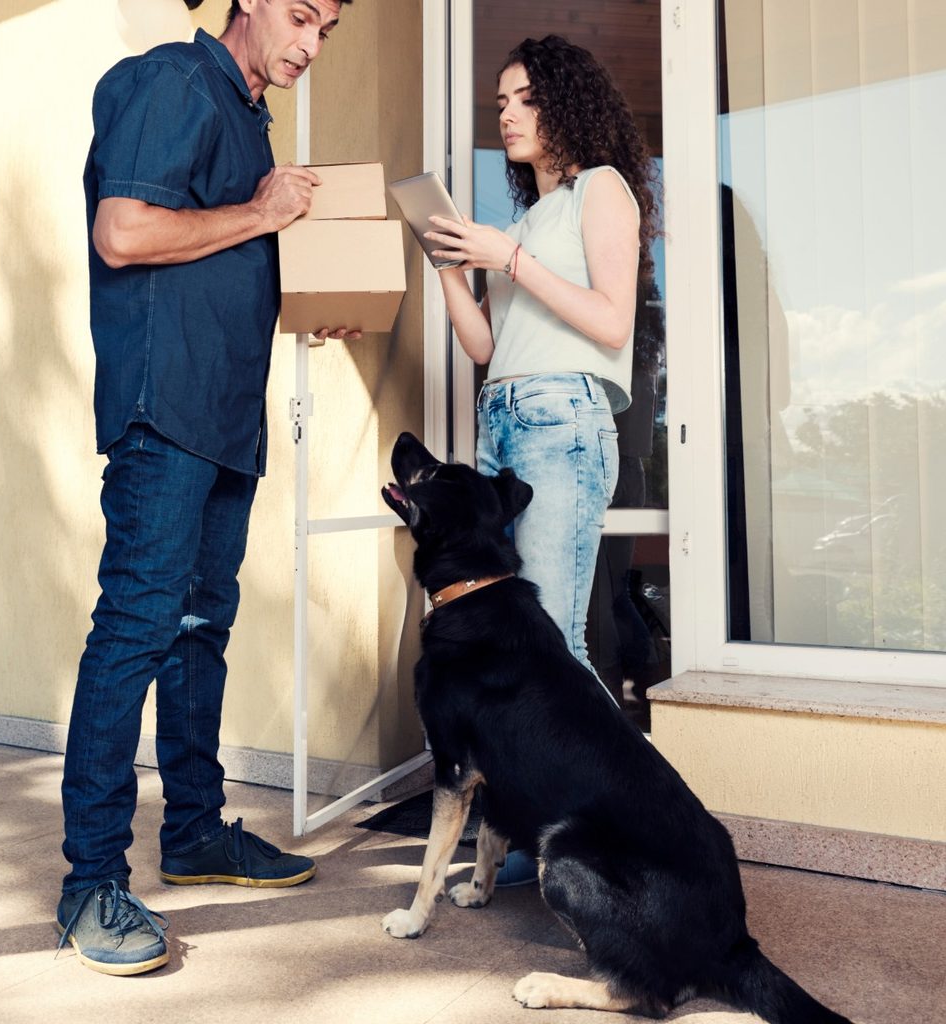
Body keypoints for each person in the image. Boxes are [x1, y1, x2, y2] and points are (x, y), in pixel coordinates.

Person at [58, 0, 354, 976]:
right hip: (165, 406)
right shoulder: (173, 81)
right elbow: (125, 232)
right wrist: (267, 213)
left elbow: (212, 261)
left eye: (329, 30)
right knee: (140, 619)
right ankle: (91, 881)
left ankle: (194, 830)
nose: (311, 43)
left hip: (227, 415)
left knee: (200, 629)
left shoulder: (249, 116)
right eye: (304, 16)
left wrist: (317, 298)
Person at [424, 34, 659, 883]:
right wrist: (451, 268)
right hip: (506, 420)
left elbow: (610, 324)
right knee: (523, 649)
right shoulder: (524, 219)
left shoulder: (604, 192)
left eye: (524, 97)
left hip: (563, 416)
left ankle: (624, 832)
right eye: (501, 103)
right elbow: (487, 342)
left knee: (555, 643)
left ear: (565, 102)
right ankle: (552, 827)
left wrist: (509, 259)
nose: (508, 113)